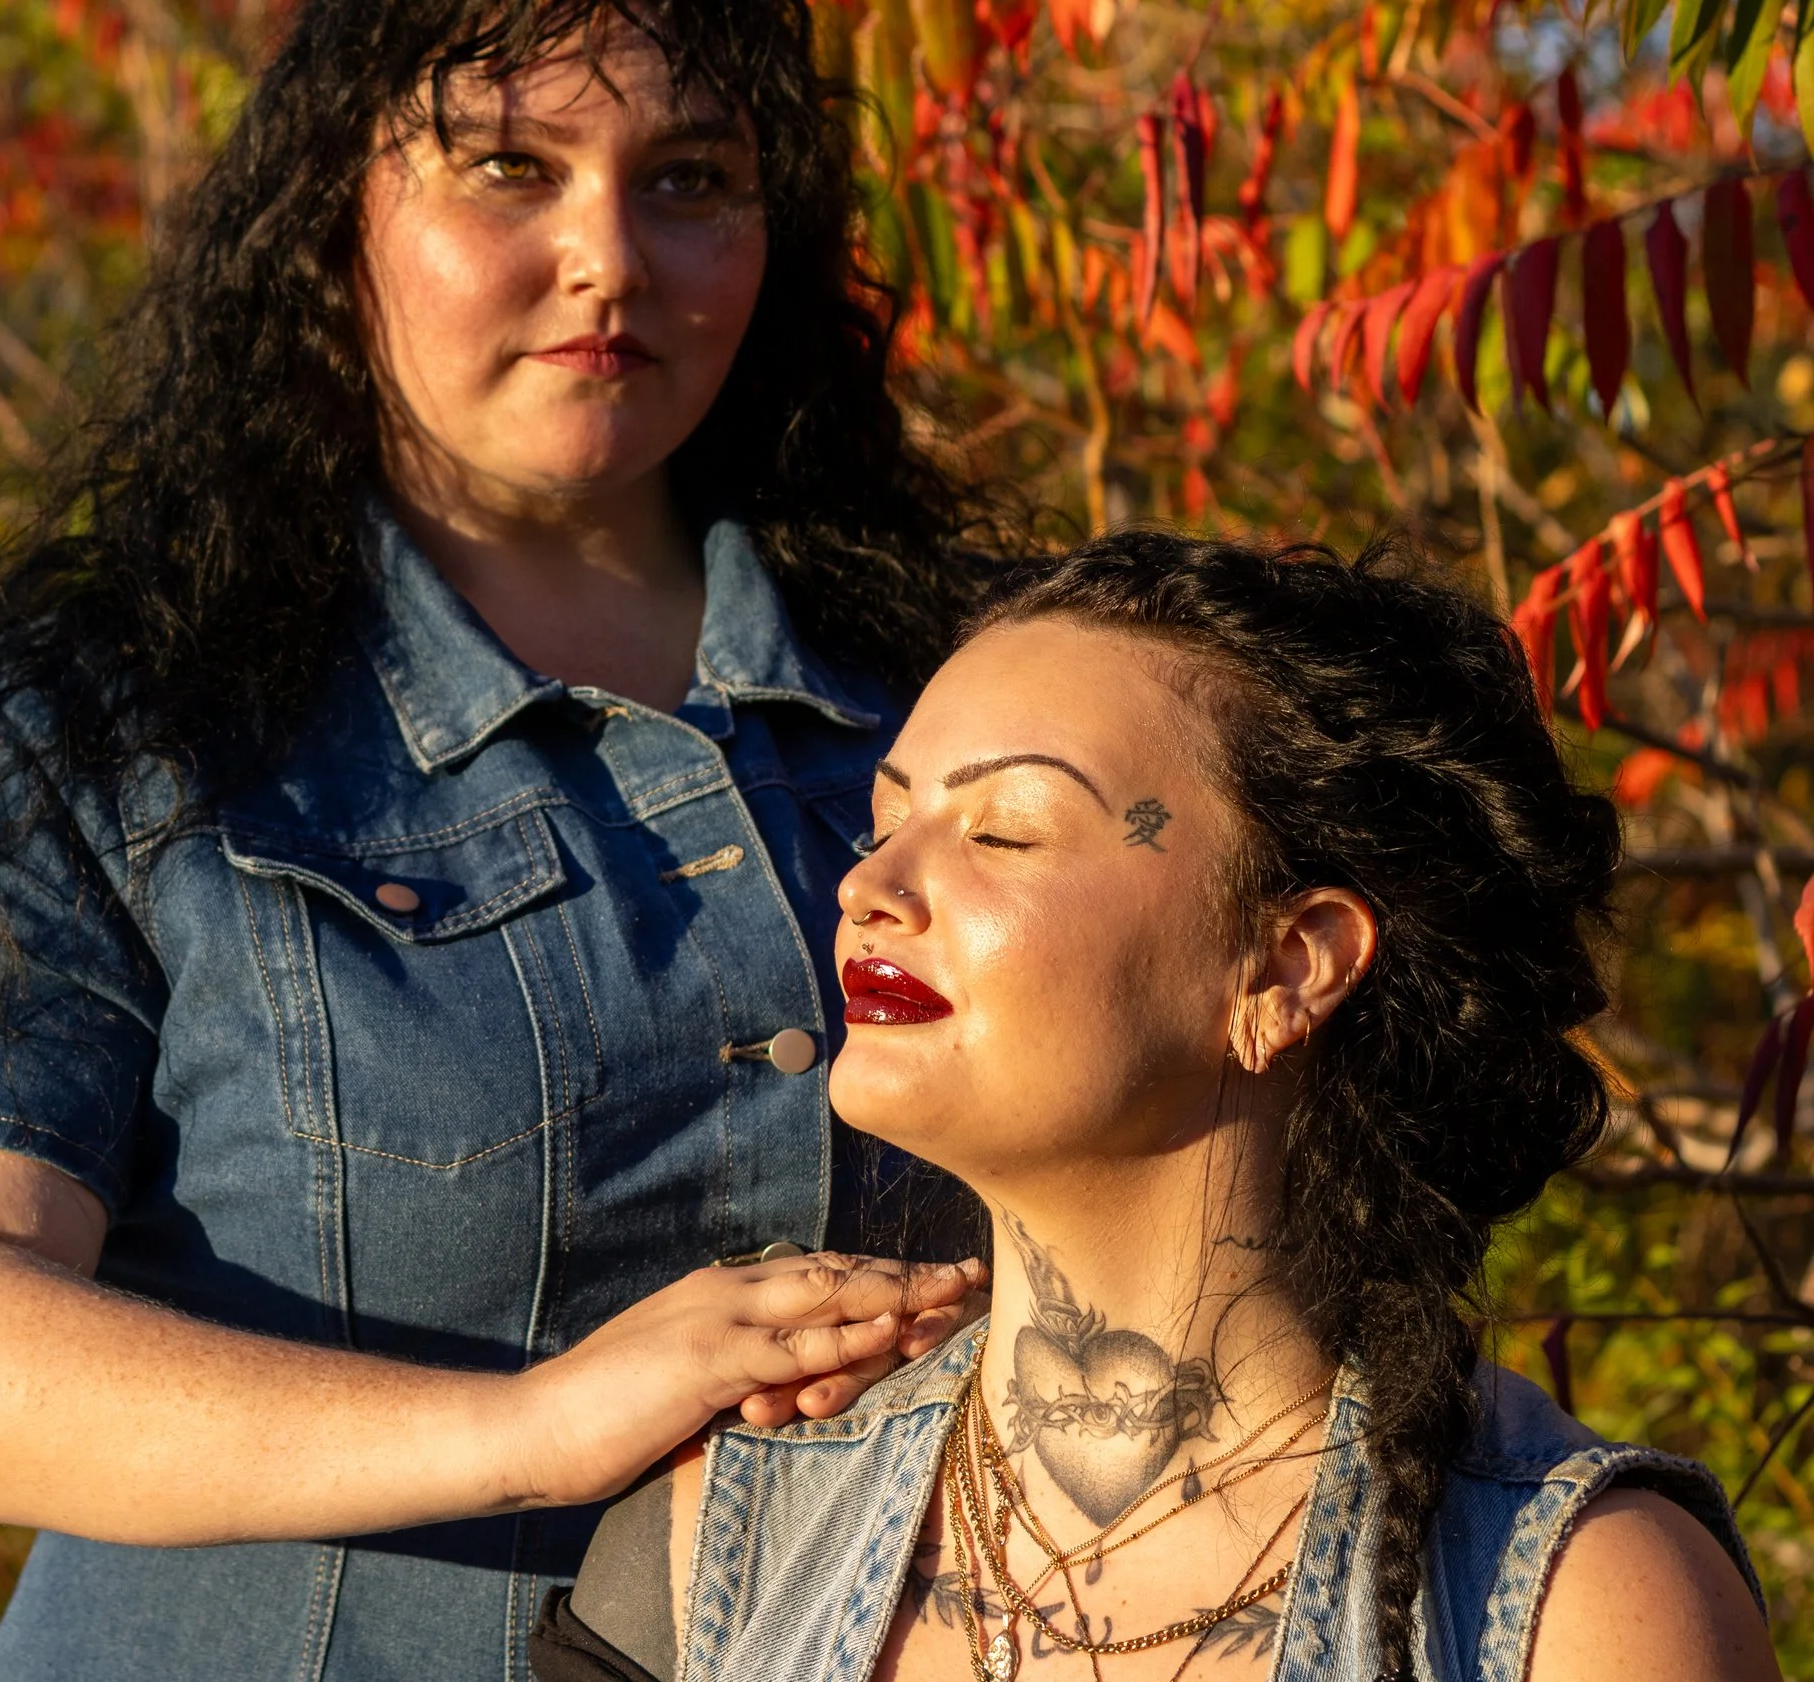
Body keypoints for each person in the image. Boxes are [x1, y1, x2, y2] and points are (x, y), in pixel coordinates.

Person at [0, 0, 997, 1681]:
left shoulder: (968, 707)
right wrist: (538, 1426)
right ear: (339, 206)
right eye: (509, 167)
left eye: (689, 178)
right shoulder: (122, 716)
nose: (608, 257)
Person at [533, 530, 1777, 1682]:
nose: (871, 884)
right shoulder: (717, 1546)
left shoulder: (1580, 1602)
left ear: (1288, 965)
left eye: (1006, 831)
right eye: (886, 819)